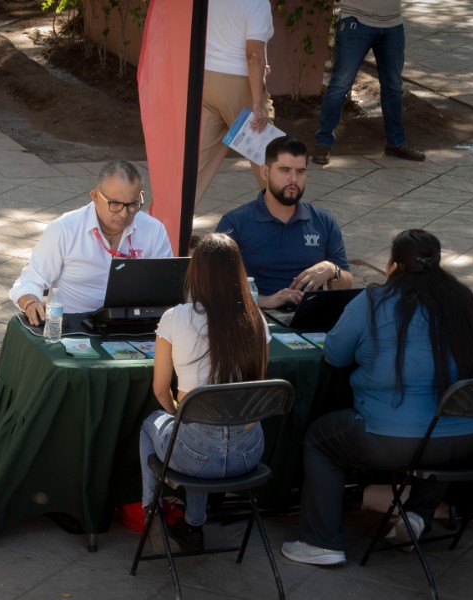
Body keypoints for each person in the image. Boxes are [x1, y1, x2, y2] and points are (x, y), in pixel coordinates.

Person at [281, 229, 473, 566]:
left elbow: (334, 356)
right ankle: (418, 513)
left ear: (393, 266)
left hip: (396, 440)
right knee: (440, 432)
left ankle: (322, 542)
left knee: (319, 439)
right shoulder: (462, 299)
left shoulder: (372, 300)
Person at [139, 233, 271, 549]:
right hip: (249, 453)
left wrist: (177, 415)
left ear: (196, 272)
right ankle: (193, 524)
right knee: (194, 426)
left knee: (154, 425)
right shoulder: (257, 318)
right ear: (238, 270)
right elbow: (258, 387)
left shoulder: (176, 317)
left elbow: (160, 389)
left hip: (194, 456)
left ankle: (150, 511)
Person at [10, 160, 173, 323]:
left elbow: (166, 286)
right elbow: (30, 280)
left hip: (132, 322)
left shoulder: (154, 230)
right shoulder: (64, 229)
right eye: (115, 204)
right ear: (95, 196)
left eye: (132, 205)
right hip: (74, 325)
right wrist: (31, 302)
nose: (124, 214)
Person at [215, 135, 352, 308]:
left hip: (309, 321)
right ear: (265, 172)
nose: (293, 179)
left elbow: (345, 288)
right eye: (285, 170)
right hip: (254, 320)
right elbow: (212, 287)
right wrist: (264, 301)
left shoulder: (324, 221)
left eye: (300, 171)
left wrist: (333, 271)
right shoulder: (234, 223)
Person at [312, 0, 425, 166]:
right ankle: (323, 143)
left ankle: (396, 143)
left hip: (392, 24)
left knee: (393, 86)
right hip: (356, 20)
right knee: (339, 85)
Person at [195, 0, 275, 207]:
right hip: (239, 83)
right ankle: (288, 220)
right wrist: (258, 101)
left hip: (205, 80)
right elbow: (254, 53)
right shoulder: (257, 3)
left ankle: (167, 225)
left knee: (196, 166)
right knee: (269, 158)